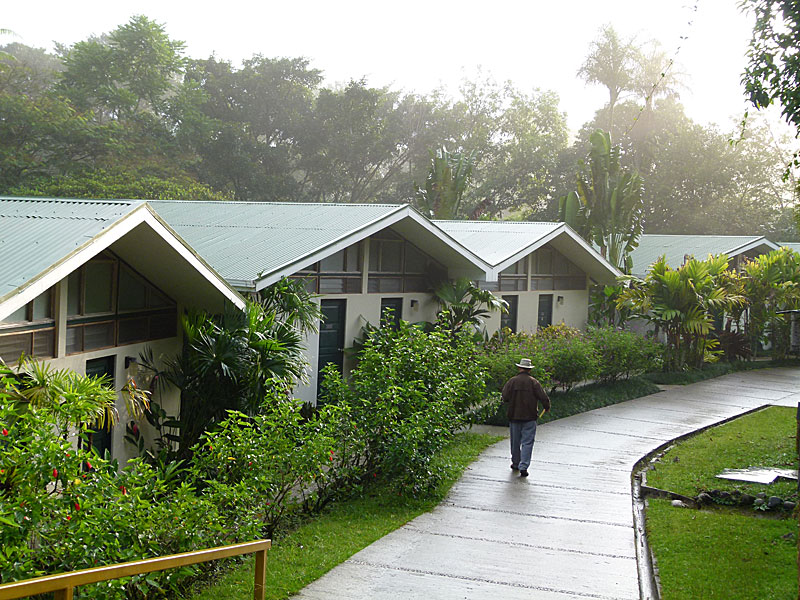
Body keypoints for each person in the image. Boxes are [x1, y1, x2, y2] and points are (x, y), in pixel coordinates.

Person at [501, 358, 550, 477]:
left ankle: (515, 463)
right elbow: (543, 397)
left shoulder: (512, 381)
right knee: (527, 442)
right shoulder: (534, 382)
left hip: (514, 416)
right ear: (529, 370)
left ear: (519, 368)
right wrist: (546, 407)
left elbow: (505, 397)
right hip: (530, 416)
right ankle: (524, 466)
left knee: (515, 442)